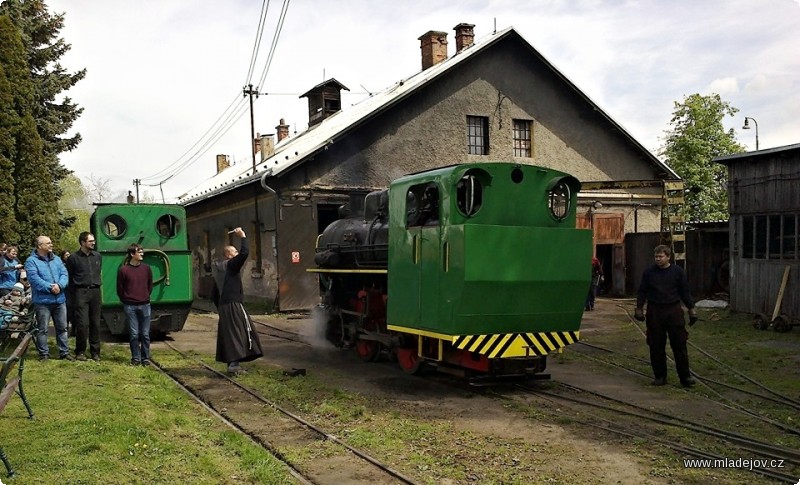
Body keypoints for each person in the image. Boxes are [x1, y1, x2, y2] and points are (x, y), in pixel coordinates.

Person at [634, 244, 697, 387]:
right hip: (655, 311)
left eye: (661, 256)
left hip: (673, 311)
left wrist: (691, 309)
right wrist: (639, 308)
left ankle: (685, 377)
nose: (658, 259)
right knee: (656, 345)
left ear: (668, 257)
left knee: (679, 344)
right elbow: (642, 290)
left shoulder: (677, 272)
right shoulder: (649, 273)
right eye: (656, 256)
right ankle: (660, 376)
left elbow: (684, 291)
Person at [212, 227, 263, 375]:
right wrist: (243, 237)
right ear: (229, 255)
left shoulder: (219, 269)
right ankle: (234, 365)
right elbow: (245, 253)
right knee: (238, 332)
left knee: (229, 333)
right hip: (233, 303)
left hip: (223, 305)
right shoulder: (231, 265)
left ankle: (232, 363)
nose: (236, 255)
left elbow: (213, 293)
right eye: (234, 252)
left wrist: (220, 307)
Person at [24, 235, 74, 361]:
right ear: (40, 246)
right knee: (43, 329)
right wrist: (50, 287)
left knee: (62, 328)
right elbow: (34, 279)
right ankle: (44, 354)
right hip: (42, 302)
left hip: (59, 300)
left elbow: (64, 274)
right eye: (48, 243)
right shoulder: (31, 261)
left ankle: (64, 352)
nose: (51, 245)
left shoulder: (56, 259)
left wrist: (60, 285)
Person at [65, 233, 102, 361]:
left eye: (94, 241)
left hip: (95, 291)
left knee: (96, 323)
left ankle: (95, 352)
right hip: (80, 292)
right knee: (82, 324)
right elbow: (69, 277)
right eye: (90, 241)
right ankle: (80, 351)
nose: (93, 243)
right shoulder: (73, 258)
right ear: (82, 242)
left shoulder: (97, 256)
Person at [117, 243, 153, 366]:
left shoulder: (146, 269)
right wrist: (126, 299)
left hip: (145, 304)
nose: (142, 253)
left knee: (145, 334)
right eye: (139, 251)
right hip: (130, 305)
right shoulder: (123, 270)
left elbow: (150, 285)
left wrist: (145, 296)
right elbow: (120, 289)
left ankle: (146, 358)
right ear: (132, 254)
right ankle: (136, 358)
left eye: (142, 251)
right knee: (134, 333)